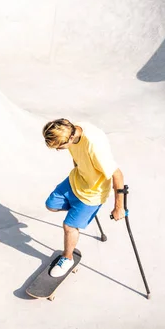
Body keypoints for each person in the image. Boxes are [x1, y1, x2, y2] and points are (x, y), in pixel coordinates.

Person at [42, 118, 126, 277]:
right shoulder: (73, 129)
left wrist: (119, 207)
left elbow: (118, 174)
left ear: (70, 138)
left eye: (59, 147)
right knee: (51, 205)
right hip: (76, 181)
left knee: (69, 227)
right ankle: (79, 215)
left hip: (92, 194)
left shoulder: (95, 147)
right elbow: (76, 154)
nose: (58, 150)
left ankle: (67, 258)